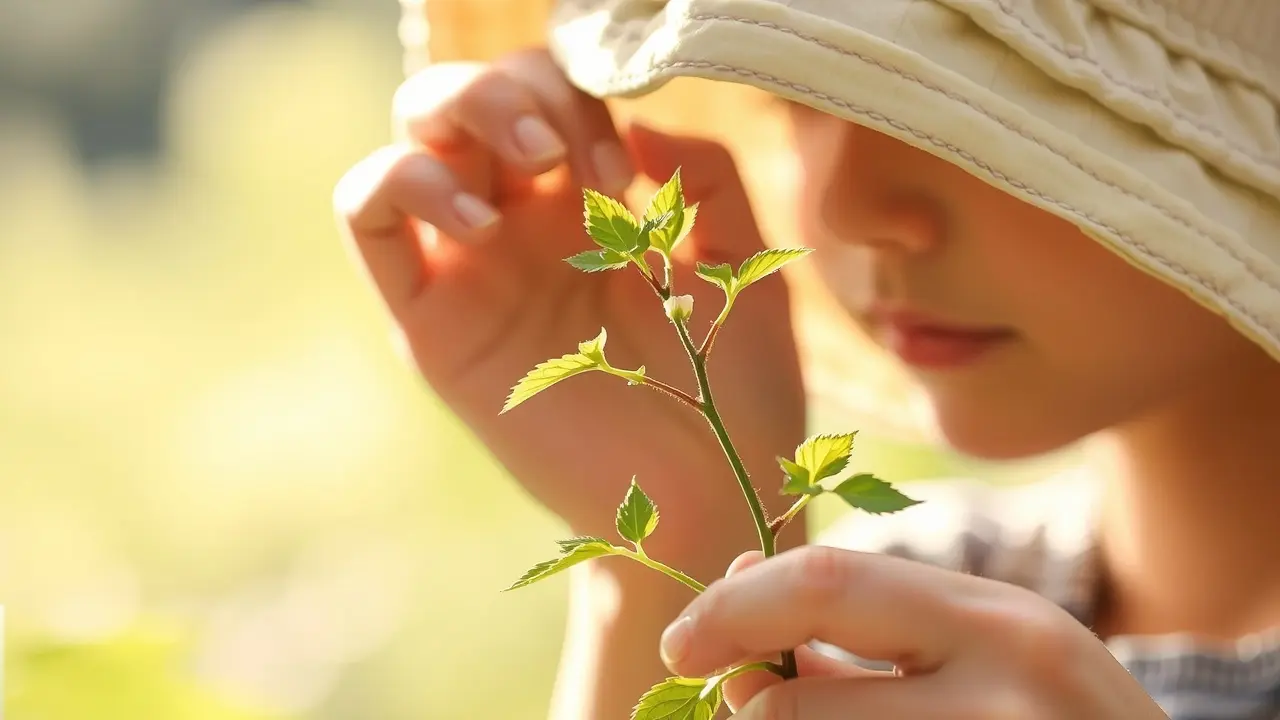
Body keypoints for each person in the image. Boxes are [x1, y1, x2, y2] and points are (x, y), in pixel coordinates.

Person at [333, 1, 1280, 717]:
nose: (844, 210)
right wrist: (687, 532)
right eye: (796, 99)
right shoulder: (902, 612)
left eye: (956, 112)